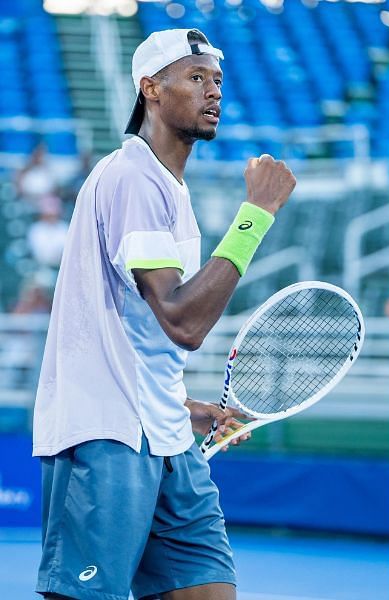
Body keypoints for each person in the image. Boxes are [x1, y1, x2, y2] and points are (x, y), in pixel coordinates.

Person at [32, 28, 295, 600]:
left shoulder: (167, 188)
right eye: (196, 78)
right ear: (151, 87)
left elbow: (143, 330)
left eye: (218, 80)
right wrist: (257, 213)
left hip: (165, 435)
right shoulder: (132, 177)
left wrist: (186, 408)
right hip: (106, 436)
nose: (213, 92)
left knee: (210, 590)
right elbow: (183, 321)